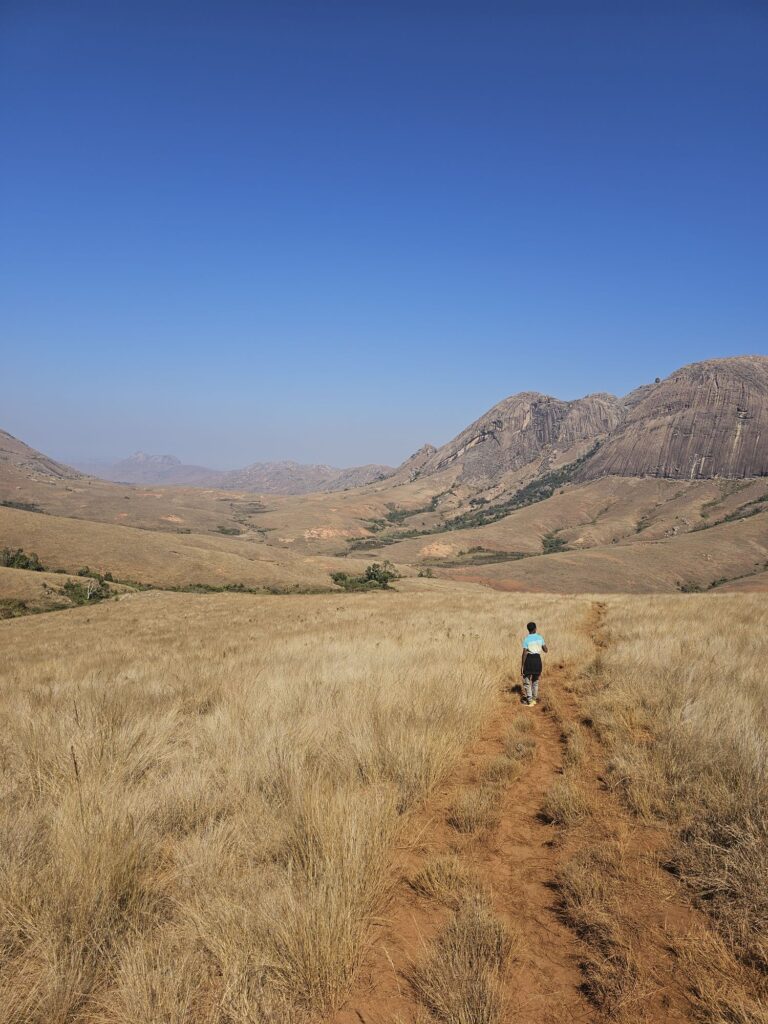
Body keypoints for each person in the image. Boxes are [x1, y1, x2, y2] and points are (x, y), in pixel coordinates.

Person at [521, 621, 548, 706]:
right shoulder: (540, 637)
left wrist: (522, 665)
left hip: (529, 660)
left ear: (528, 630)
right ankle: (534, 699)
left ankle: (529, 700)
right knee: (535, 681)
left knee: (527, 681)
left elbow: (524, 653)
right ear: (535, 629)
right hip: (537, 660)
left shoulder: (526, 639)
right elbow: (546, 650)